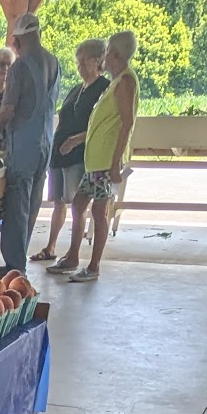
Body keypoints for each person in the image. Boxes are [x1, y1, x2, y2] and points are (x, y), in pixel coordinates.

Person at [0, 11, 60, 276]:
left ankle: (14, 265)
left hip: (23, 145)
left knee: (17, 205)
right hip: (45, 143)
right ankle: (19, 260)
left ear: (17, 41)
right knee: (32, 203)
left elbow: (7, 110)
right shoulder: (54, 63)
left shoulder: (20, 67)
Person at [57, 29, 138, 283]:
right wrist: (77, 140)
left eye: (108, 53)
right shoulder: (116, 81)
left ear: (116, 55)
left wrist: (115, 163)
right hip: (95, 160)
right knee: (79, 203)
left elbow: (126, 123)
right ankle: (72, 257)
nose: (104, 58)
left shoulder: (125, 81)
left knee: (100, 210)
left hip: (106, 162)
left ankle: (94, 266)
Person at [34, 39, 107, 264]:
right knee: (58, 201)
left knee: (78, 203)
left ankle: (73, 252)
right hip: (60, 153)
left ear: (98, 60)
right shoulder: (76, 89)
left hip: (79, 154)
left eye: (85, 61)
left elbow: (100, 125)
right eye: (78, 61)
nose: (80, 66)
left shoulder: (104, 89)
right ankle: (51, 246)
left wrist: (75, 141)